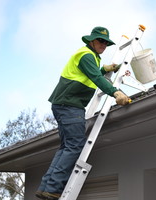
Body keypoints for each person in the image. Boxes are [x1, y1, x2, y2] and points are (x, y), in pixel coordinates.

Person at [35, 26, 130, 200]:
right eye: (101, 41)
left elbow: (91, 74)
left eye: (106, 42)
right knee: (75, 145)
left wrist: (104, 68)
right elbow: (95, 78)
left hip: (63, 104)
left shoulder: (90, 57)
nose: (104, 45)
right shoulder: (86, 55)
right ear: (91, 40)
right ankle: (53, 187)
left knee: (66, 147)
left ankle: (46, 187)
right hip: (70, 105)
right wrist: (115, 92)